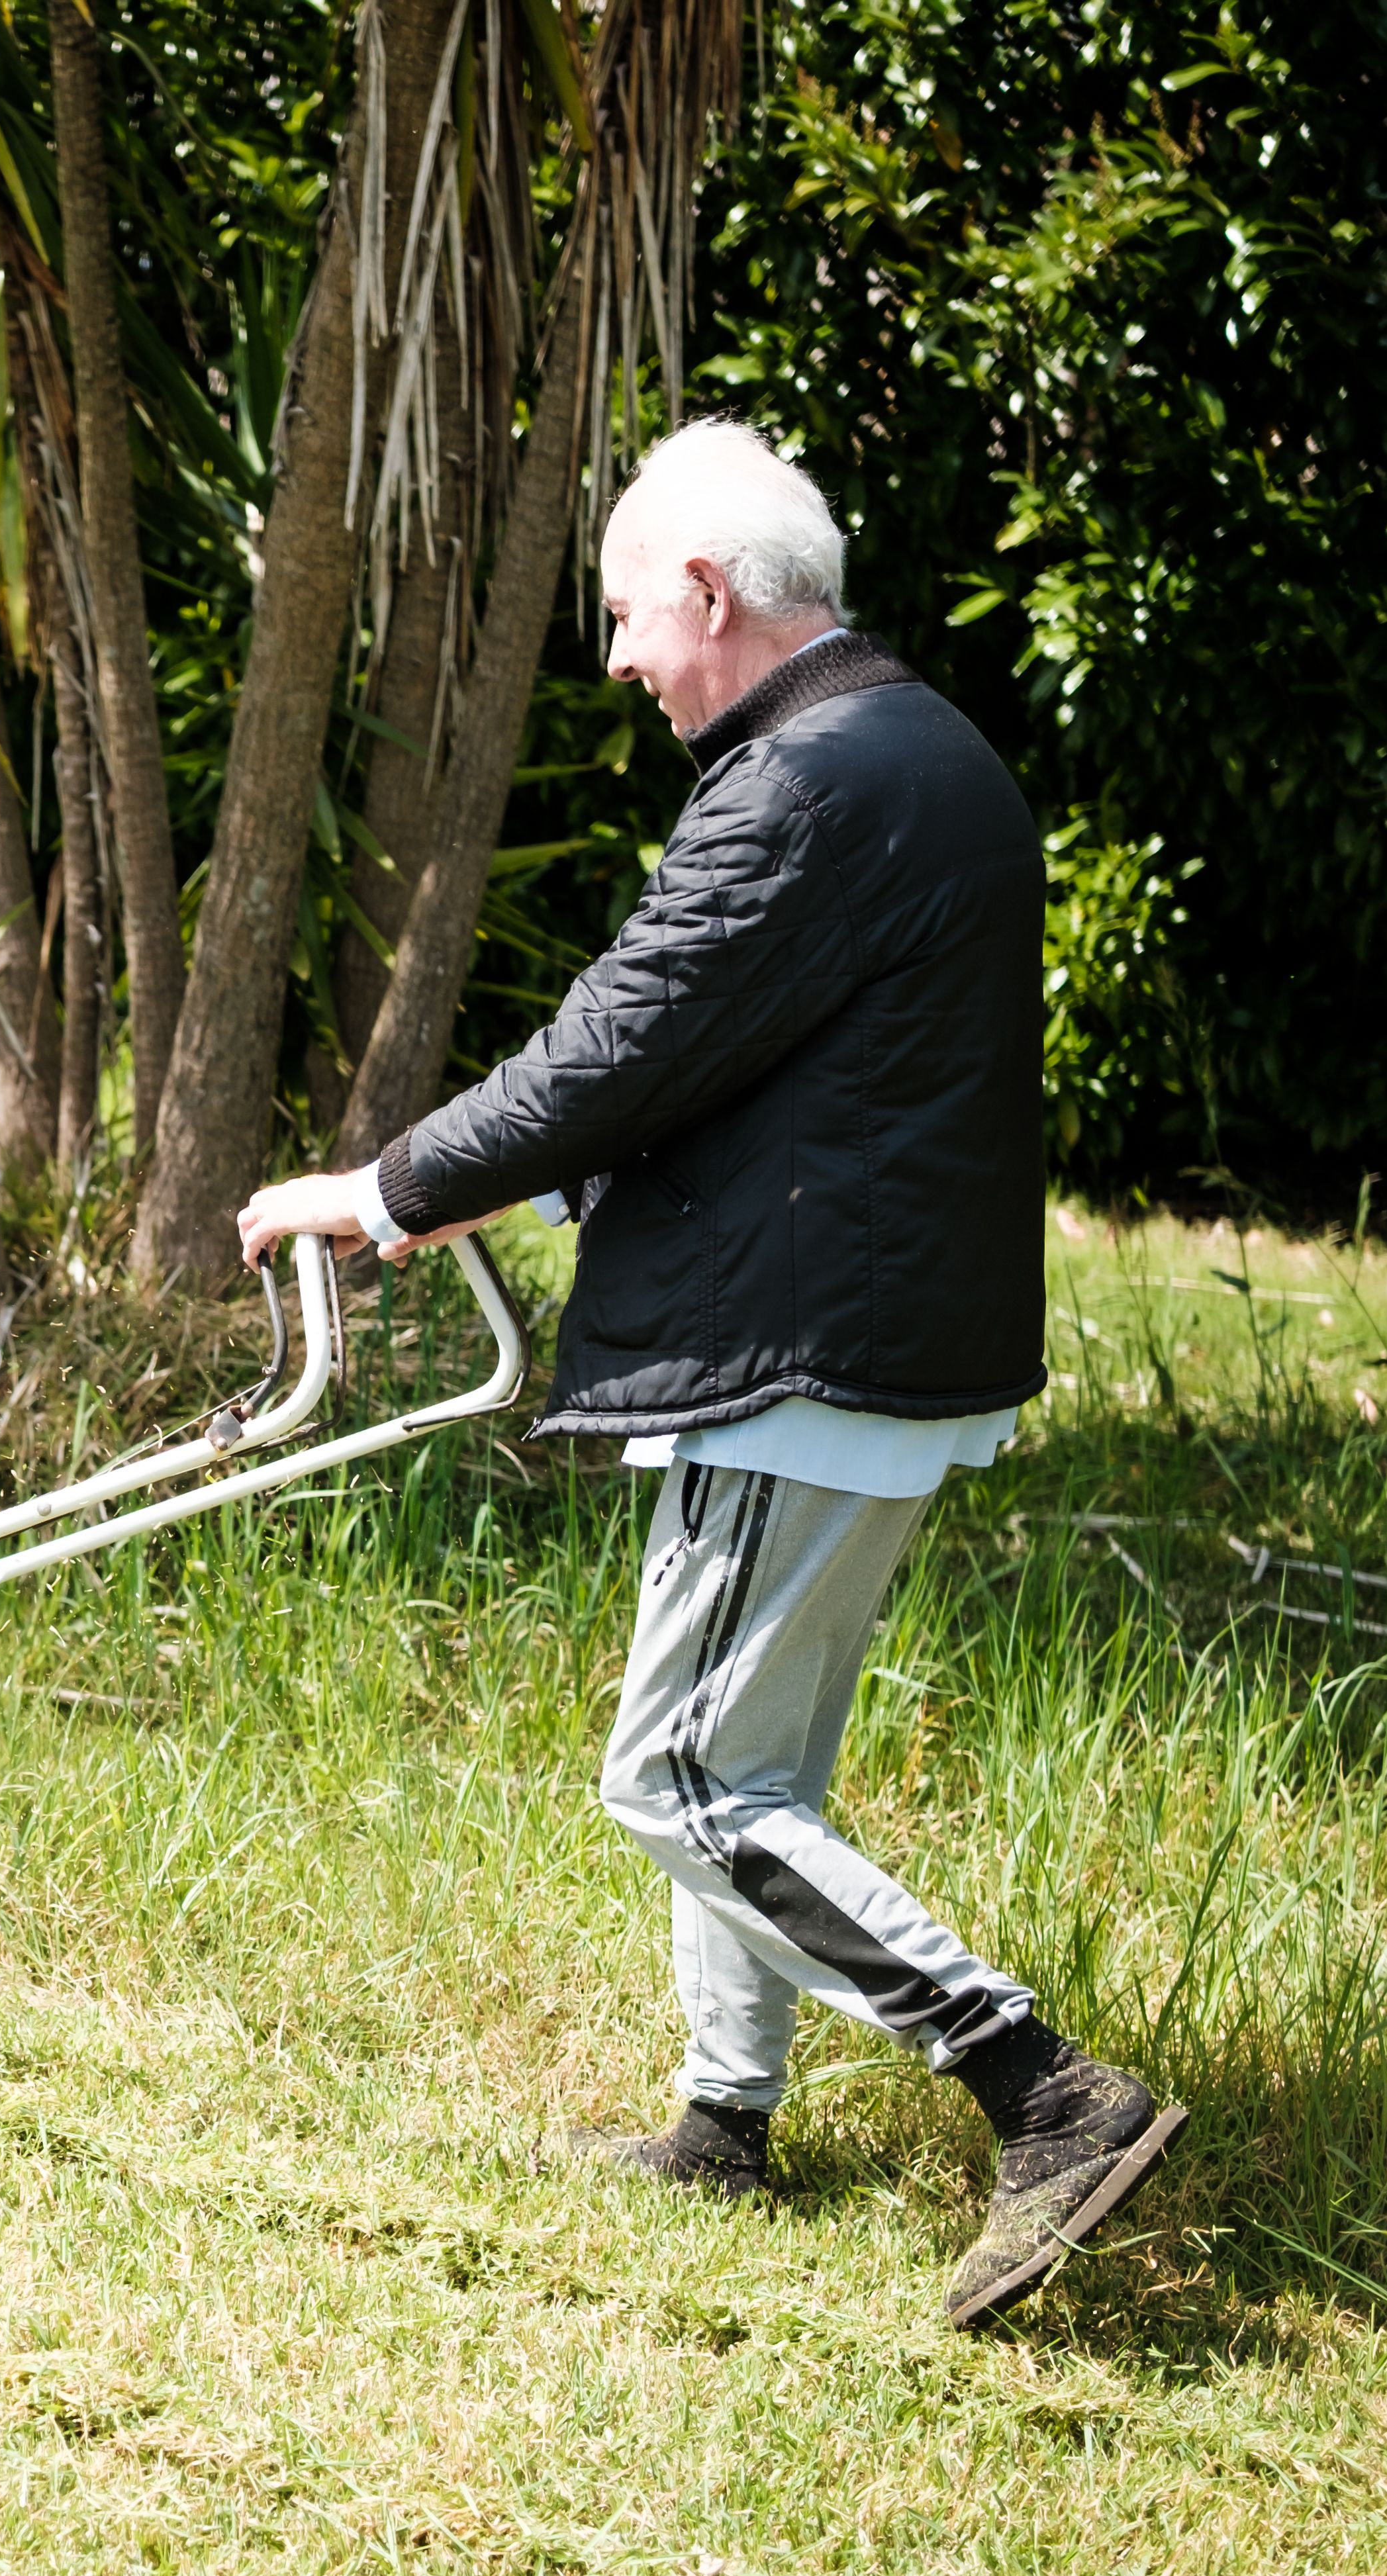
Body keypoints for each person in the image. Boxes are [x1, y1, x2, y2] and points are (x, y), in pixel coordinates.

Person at [235, 418, 1184, 2332]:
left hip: (806, 1349)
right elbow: (729, 1056)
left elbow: (626, 1042)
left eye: (621, 620)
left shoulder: (807, 786)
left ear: (710, 594)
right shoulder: (919, 747)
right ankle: (724, 2124)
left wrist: (388, 1187)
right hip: (876, 1339)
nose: (616, 663)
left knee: (680, 1774)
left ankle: (1045, 2094)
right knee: (761, 1766)